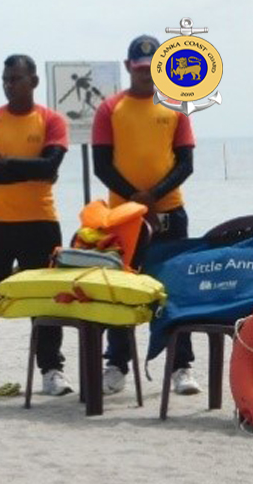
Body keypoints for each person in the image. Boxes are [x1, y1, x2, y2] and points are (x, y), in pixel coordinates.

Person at [92, 35, 199, 396]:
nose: (146, 76)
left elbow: (185, 163)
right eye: (139, 69)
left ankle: (181, 365)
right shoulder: (110, 109)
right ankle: (117, 364)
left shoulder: (175, 106)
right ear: (128, 68)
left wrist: (153, 195)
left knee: (173, 290)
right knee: (120, 289)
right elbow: (101, 165)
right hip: (123, 216)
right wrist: (135, 198)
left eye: (152, 69)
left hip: (169, 213)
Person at [0, 55, 73, 397]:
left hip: (40, 221)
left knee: (45, 299)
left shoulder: (51, 121)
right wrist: (33, 167)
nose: (10, 84)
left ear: (33, 82)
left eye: (17, 78)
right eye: (6, 79)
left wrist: (7, 163)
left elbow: (52, 163)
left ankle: (51, 369)